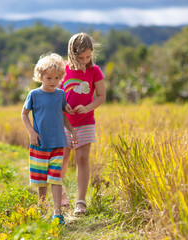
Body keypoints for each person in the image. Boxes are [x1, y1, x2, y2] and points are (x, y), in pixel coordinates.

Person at [21, 53, 78, 225]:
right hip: (39, 143)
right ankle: (41, 208)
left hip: (58, 142)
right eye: (49, 78)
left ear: (61, 77)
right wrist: (31, 132)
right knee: (41, 179)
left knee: (56, 178)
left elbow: (63, 114)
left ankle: (57, 213)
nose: (53, 81)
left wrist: (72, 131)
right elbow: (24, 114)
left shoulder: (60, 95)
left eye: (56, 78)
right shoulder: (34, 94)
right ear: (40, 76)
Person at [60, 32, 106, 215]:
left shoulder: (95, 71)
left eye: (88, 57)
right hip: (63, 121)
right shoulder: (62, 70)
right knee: (62, 158)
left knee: (82, 159)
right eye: (81, 58)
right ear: (71, 54)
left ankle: (81, 201)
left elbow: (101, 96)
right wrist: (63, 106)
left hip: (85, 121)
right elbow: (55, 93)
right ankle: (61, 194)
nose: (85, 61)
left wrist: (87, 108)